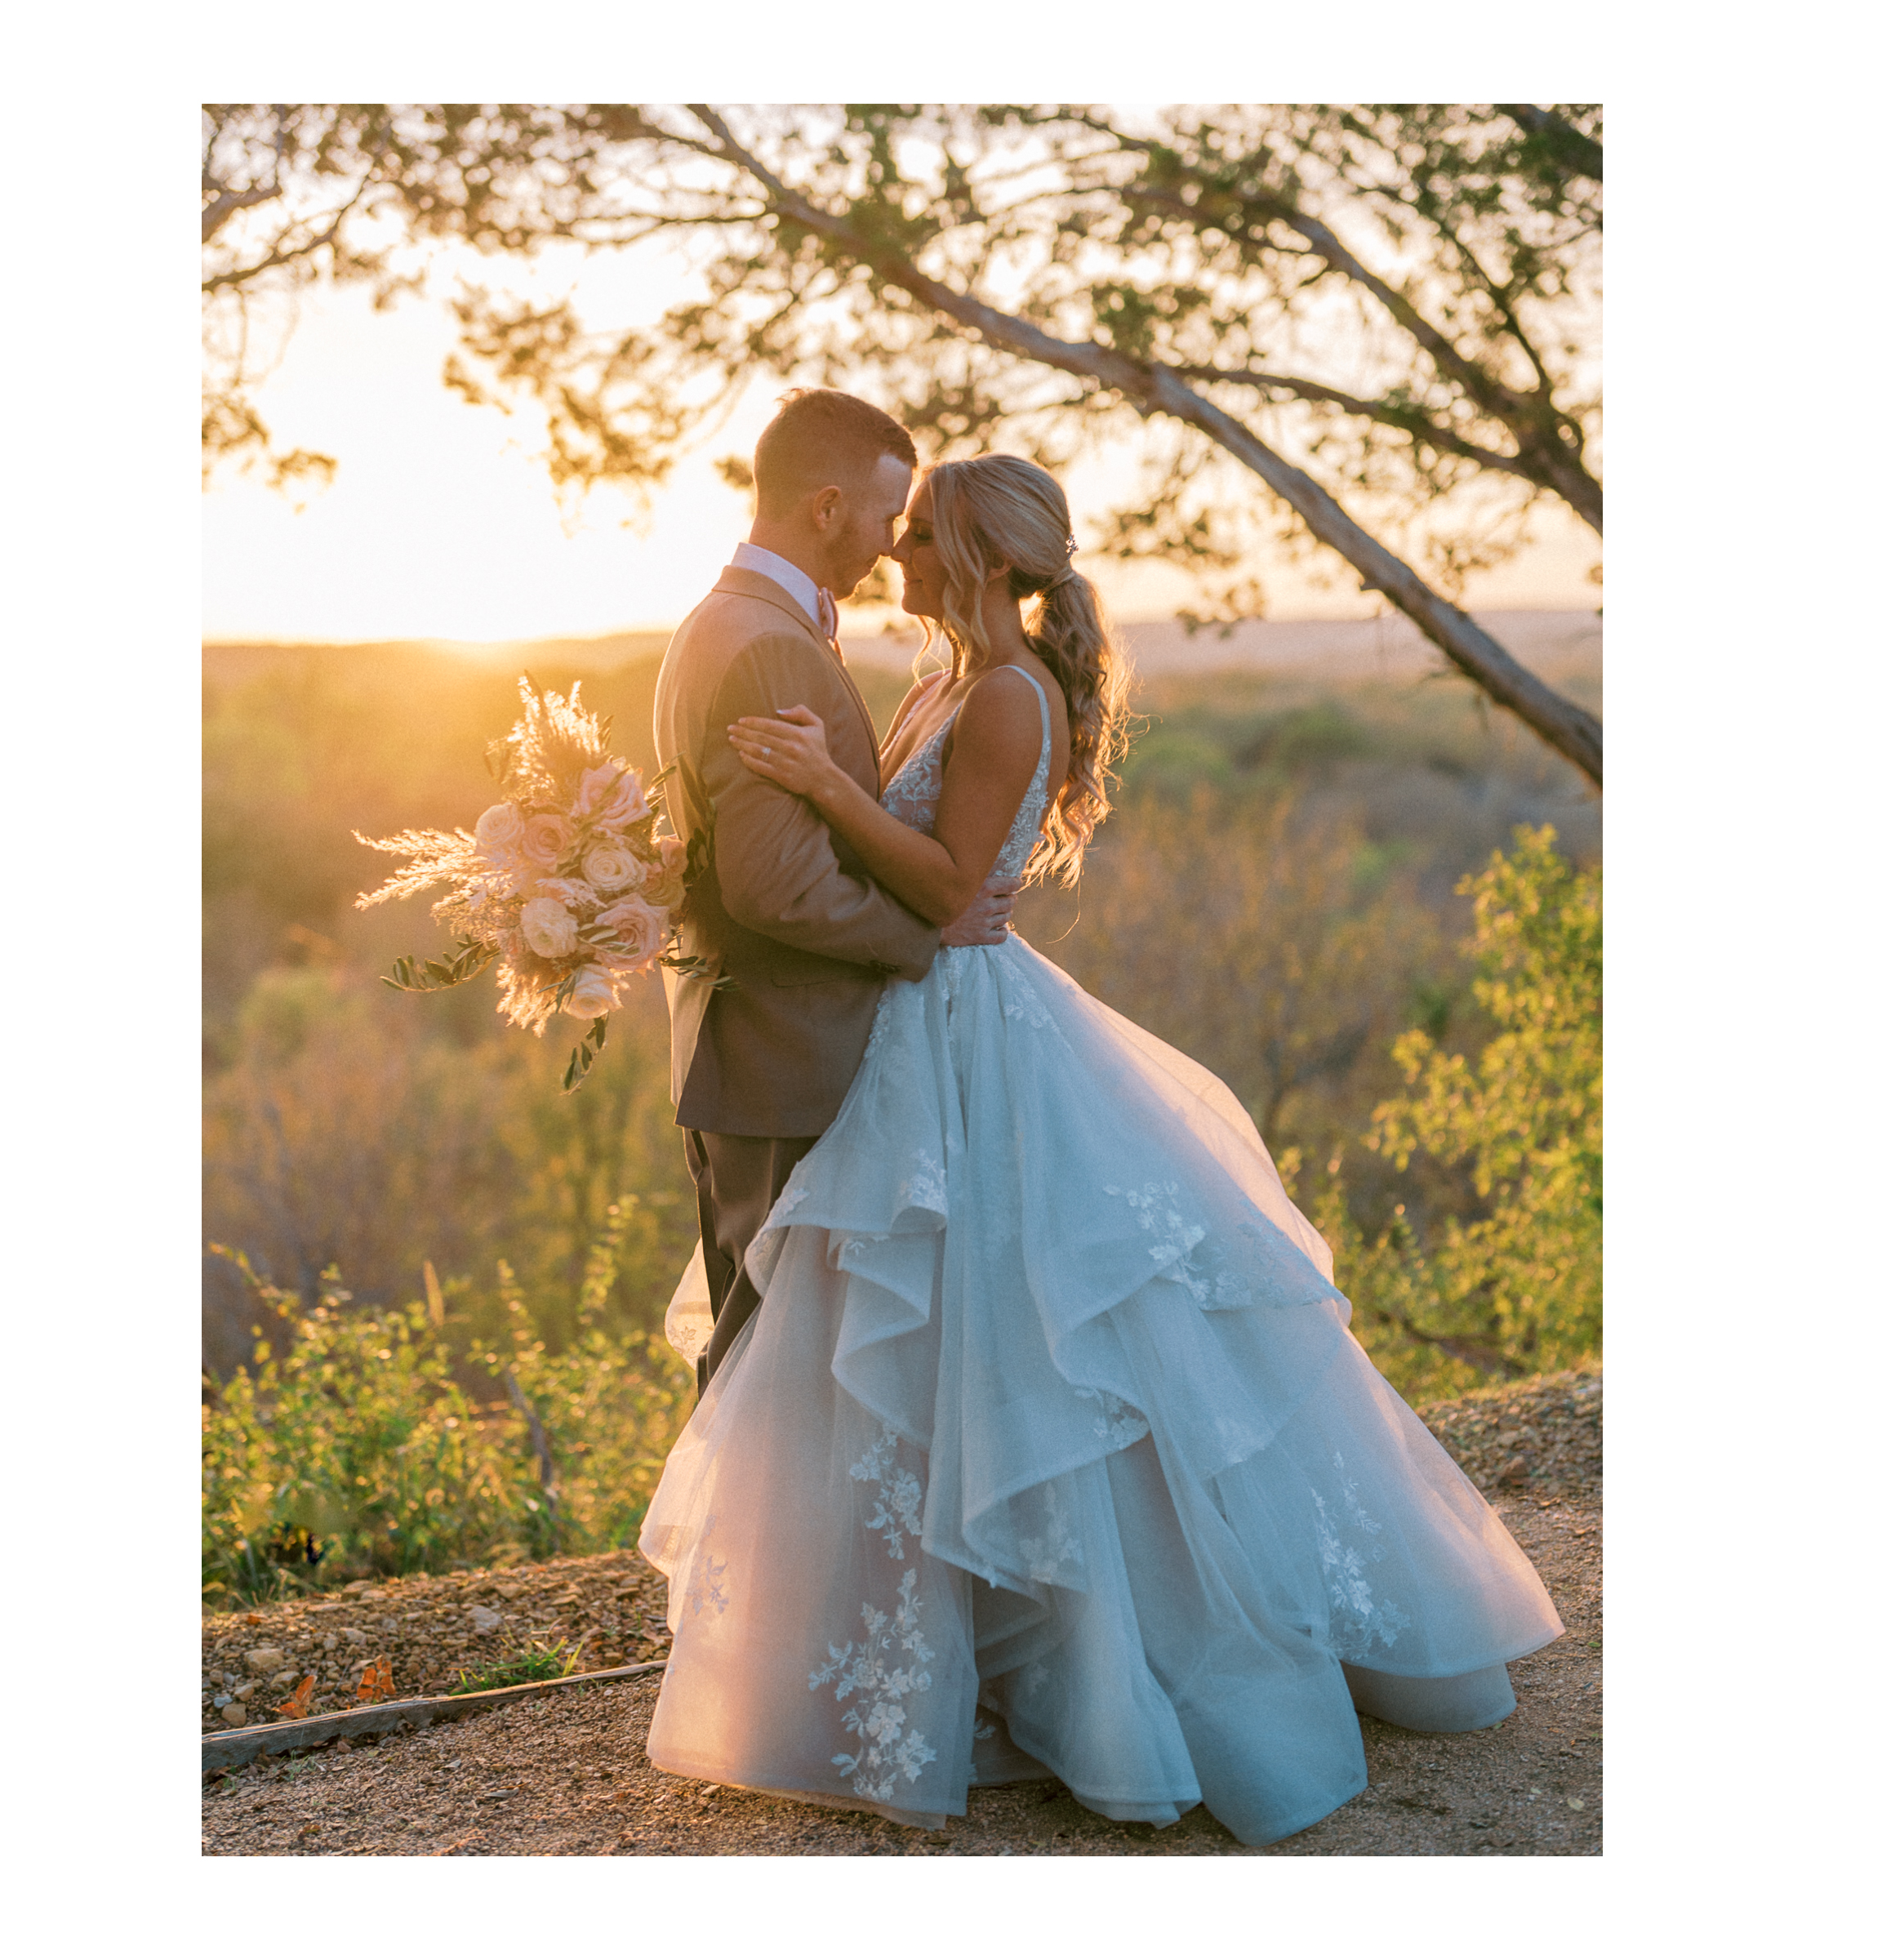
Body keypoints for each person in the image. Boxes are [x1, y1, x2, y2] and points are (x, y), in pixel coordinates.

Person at [640, 450, 1563, 1848]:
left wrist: (830, 790)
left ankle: (1108, 1670)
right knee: (924, 1351)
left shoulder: (1009, 695)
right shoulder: (942, 675)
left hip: (972, 1034)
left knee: (1033, 1346)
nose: (897, 553)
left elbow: (952, 887)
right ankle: (919, 1650)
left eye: (925, 535)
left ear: (986, 558)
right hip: (920, 1029)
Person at [652, 389, 1020, 1396]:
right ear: (824, 508)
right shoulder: (770, 641)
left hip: (747, 1047)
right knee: (776, 1363)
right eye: (884, 519)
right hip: (788, 1049)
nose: (891, 547)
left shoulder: (719, 621)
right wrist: (927, 933)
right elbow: (777, 885)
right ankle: (749, 1558)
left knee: (771, 1351)